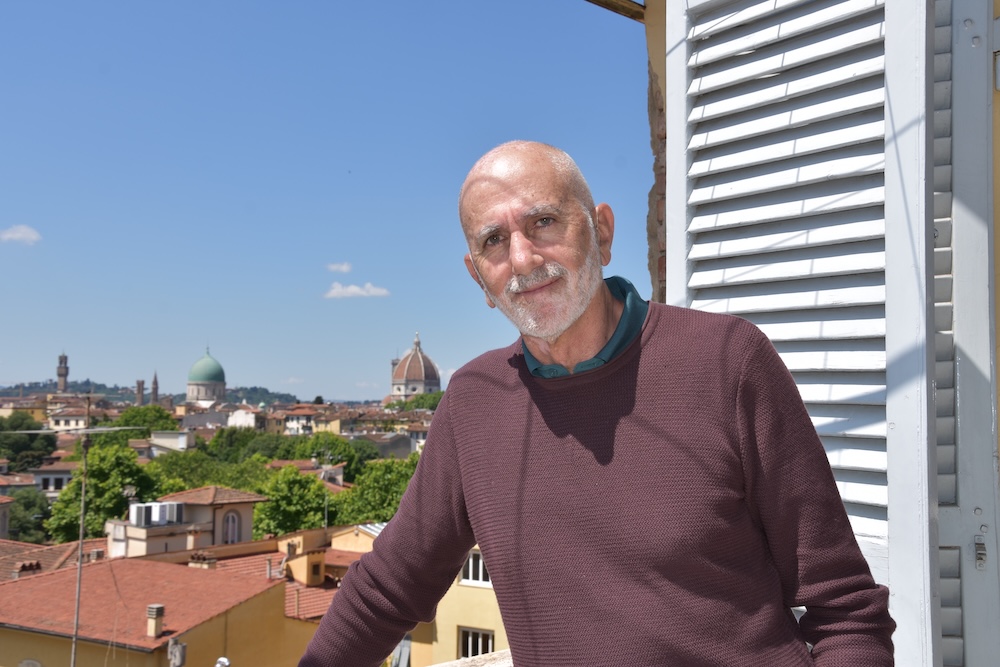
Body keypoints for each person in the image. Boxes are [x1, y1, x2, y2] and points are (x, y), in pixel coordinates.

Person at [299, 141, 895, 666]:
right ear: (477, 276)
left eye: (544, 222)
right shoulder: (473, 404)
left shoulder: (725, 361)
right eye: (494, 241)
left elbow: (846, 610)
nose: (525, 259)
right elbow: (388, 588)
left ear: (602, 232)